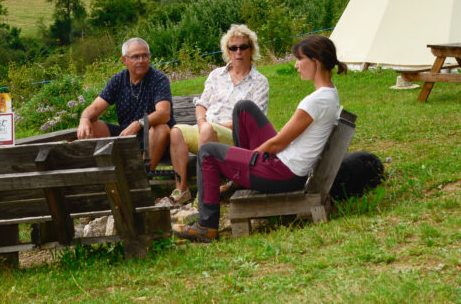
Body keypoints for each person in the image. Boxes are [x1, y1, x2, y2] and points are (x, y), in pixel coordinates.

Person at [174, 34, 345, 242]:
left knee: (208, 152)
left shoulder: (315, 101)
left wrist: (247, 157)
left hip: (285, 172)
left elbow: (278, 143)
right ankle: (240, 181)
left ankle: (206, 226)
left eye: (300, 59)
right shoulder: (328, 94)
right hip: (290, 164)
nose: (296, 66)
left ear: (315, 61)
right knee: (243, 108)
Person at [161, 24, 270, 207]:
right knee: (177, 131)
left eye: (243, 47)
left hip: (235, 137)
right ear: (227, 51)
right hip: (207, 128)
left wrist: (212, 126)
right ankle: (182, 190)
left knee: (207, 130)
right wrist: (202, 122)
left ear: (251, 49)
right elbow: (202, 104)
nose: (238, 52)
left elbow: (252, 121)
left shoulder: (260, 82)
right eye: (233, 48)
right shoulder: (215, 75)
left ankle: (205, 195)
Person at [77, 37, 174, 170]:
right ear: (125, 60)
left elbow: (164, 114)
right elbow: (95, 107)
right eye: (135, 57)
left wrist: (138, 124)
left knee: (161, 129)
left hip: (156, 140)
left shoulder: (159, 79)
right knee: (91, 127)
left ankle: (142, 175)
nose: (141, 60)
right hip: (128, 137)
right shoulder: (118, 80)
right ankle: (95, 175)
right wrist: (84, 119)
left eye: (145, 56)